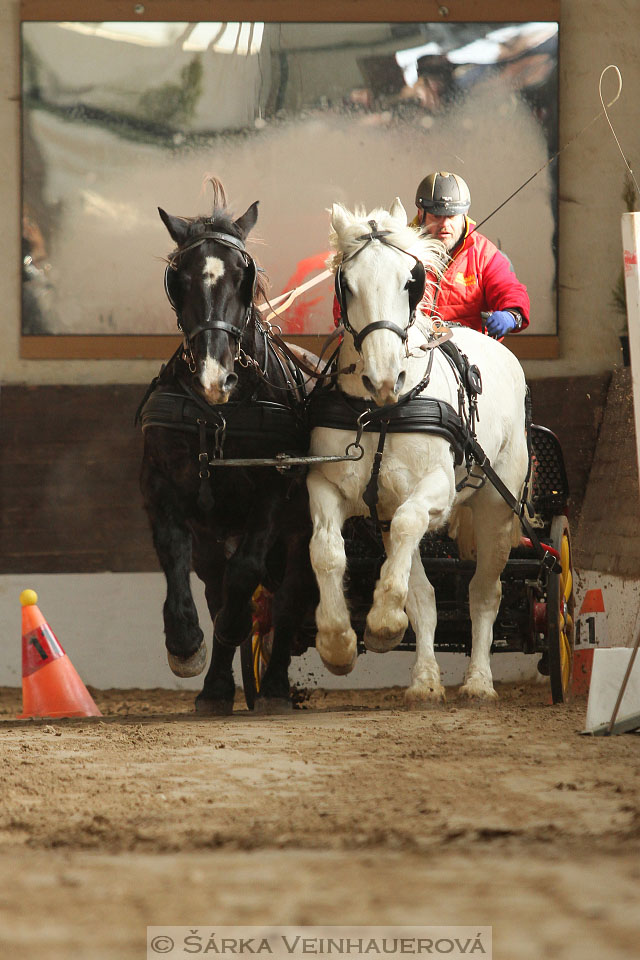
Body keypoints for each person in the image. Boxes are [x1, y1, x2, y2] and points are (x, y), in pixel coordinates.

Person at [413, 171, 530, 336]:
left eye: (452, 216)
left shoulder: (485, 254)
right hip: (414, 348)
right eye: (436, 216)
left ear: (464, 215)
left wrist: (511, 315)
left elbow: (510, 289)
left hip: (468, 351)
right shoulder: (402, 251)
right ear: (421, 213)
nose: (444, 225)